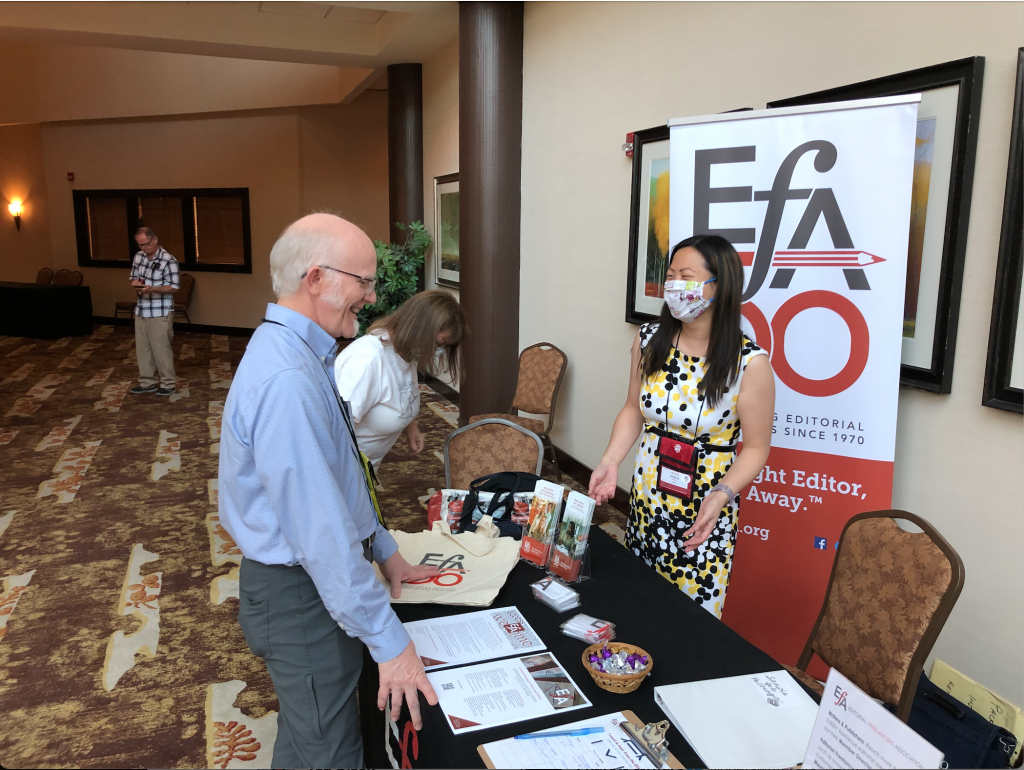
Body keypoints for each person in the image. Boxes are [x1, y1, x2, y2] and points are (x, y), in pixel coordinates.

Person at [218, 214, 441, 769]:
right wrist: (391, 644)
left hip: (305, 589)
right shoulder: (288, 378)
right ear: (315, 278)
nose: (370, 296)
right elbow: (320, 533)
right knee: (331, 753)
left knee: (306, 739)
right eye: (362, 282)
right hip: (299, 594)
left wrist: (386, 552)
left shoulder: (302, 351)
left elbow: (341, 476)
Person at [588, 234, 774, 618]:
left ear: (719, 286)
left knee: (687, 619)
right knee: (637, 603)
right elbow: (632, 409)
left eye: (685, 275)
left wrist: (722, 495)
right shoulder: (650, 339)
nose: (674, 285)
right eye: (670, 275)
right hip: (648, 497)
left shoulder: (749, 364)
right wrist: (610, 461)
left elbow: (756, 448)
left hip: (705, 508)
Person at [334, 289, 465, 472]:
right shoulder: (367, 361)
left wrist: (410, 425)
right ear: (420, 329)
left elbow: (398, 393)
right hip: (343, 469)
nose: (439, 351)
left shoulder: (404, 351)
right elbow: (336, 428)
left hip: (367, 466)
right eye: (439, 343)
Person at [128, 227, 179, 396]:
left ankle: (168, 383)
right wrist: (135, 283)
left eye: (146, 244)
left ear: (155, 240)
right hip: (142, 309)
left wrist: (153, 289)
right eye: (140, 245)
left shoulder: (168, 260)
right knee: (143, 349)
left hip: (160, 310)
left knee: (161, 348)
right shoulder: (138, 257)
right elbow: (133, 276)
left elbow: (173, 287)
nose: (143, 248)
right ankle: (147, 382)